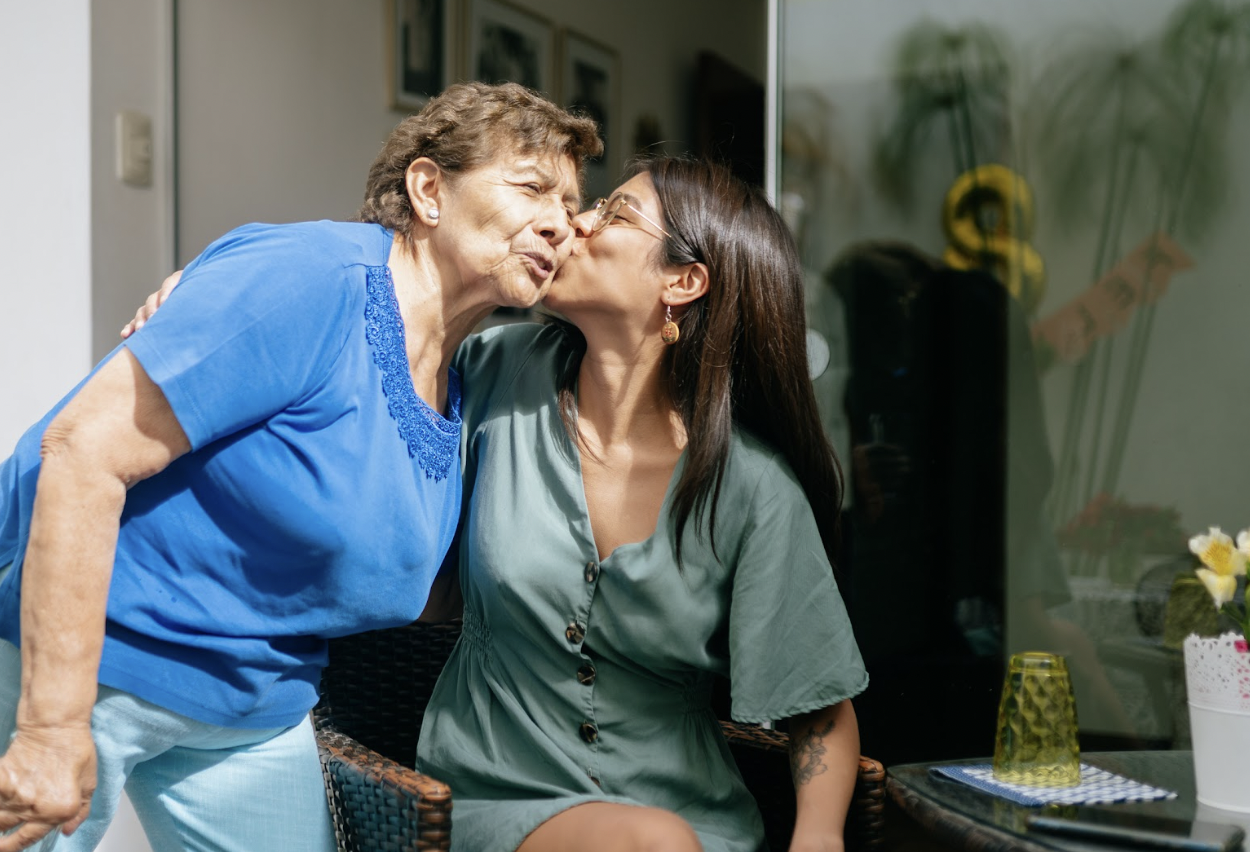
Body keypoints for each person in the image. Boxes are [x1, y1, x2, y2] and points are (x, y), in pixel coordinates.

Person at [0, 81, 600, 852]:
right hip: (77, 648)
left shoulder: (467, 377)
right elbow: (81, 452)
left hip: (250, 697)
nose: (560, 223)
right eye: (533, 188)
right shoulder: (313, 280)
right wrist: (50, 729)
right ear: (429, 189)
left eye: (572, 207)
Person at [128, 157, 867, 852]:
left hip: (694, 819)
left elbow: (819, 708)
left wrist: (818, 838)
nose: (574, 223)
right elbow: (359, 313)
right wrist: (212, 289)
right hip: (492, 798)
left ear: (683, 282)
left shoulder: (753, 487)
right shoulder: (491, 373)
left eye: (614, 213)